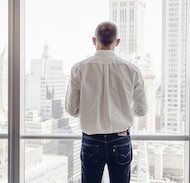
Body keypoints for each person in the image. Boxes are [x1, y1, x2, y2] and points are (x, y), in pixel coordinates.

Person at [65, 22, 148, 183]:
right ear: (117, 42)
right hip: (120, 138)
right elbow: (142, 109)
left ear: (94, 40)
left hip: (91, 140)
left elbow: (71, 109)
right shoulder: (131, 69)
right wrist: (123, 111)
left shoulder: (79, 69)